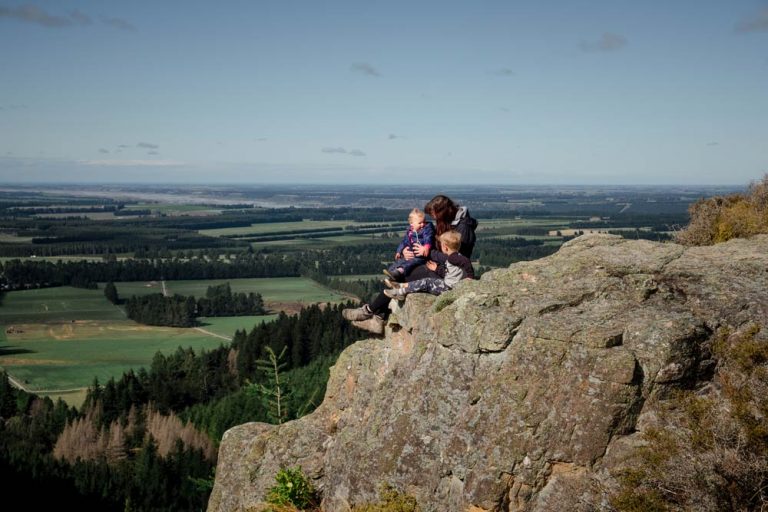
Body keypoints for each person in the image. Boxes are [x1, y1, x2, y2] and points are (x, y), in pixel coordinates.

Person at [343, 194, 478, 334]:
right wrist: (408, 252)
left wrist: (429, 255)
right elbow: (435, 248)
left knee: (402, 275)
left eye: (434, 215)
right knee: (402, 270)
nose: (434, 219)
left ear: (443, 212)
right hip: (437, 265)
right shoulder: (451, 222)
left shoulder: (463, 229)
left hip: (445, 275)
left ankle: (371, 314)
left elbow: (456, 259)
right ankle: (376, 317)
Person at [383, 230, 473, 300]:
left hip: (448, 288)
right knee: (427, 281)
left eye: (441, 245)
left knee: (426, 283)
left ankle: (400, 292)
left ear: (445, 247)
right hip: (449, 285)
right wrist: (436, 269)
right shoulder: (456, 256)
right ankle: (401, 286)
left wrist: (470, 277)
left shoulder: (452, 258)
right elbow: (451, 274)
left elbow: (467, 262)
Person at [384, 208, 435, 280]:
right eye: (420, 223)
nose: (423, 224)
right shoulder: (410, 232)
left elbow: (428, 237)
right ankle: (391, 274)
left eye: (424, 222)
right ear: (412, 224)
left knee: (409, 264)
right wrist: (399, 251)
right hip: (411, 254)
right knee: (399, 262)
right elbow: (404, 242)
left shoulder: (426, 229)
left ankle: (398, 273)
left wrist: (426, 246)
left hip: (420, 257)